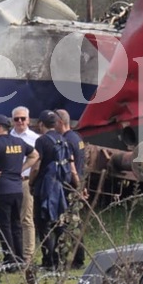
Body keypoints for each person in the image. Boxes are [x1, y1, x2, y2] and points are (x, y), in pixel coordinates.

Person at [0, 114, 38, 267]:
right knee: (16, 224)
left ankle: (9, 260)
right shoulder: (19, 142)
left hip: (1, 189)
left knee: (4, 225)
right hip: (17, 189)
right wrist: (21, 169)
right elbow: (35, 155)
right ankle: (20, 259)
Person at [30, 110, 78, 269]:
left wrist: (31, 182)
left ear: (41, 124)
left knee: (43, 225)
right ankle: (60, 259)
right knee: (60, 224)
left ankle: (48, 262)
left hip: (44, 188)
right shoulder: (64, 140)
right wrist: (77, 185)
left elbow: (36, 166)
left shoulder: (41, 141)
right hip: (61, 188)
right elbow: (71, 166)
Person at [55, 109, 89, 268]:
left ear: (61, 122)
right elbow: (84, 164)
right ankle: (77, 259)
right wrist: (83, 186)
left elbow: (73, 166)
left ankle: (74, 260)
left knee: (68, 224)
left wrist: (77, 186)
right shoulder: (77, 138)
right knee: (75, 223)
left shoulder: (66, 141)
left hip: (69, 188)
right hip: (78, 186)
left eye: (54, 121)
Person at [9, 106, 41, 262]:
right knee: (11, 218)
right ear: (12, 121)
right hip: (9, 181)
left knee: (26, 218)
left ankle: (28, 254)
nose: (20, 121)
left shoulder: (35, 138)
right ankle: (14, 253)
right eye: (17, 119)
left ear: (28, 120)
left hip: (25, 181)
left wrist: (21, 170)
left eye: (23, 118)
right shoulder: (8, 137)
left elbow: (37, 160)